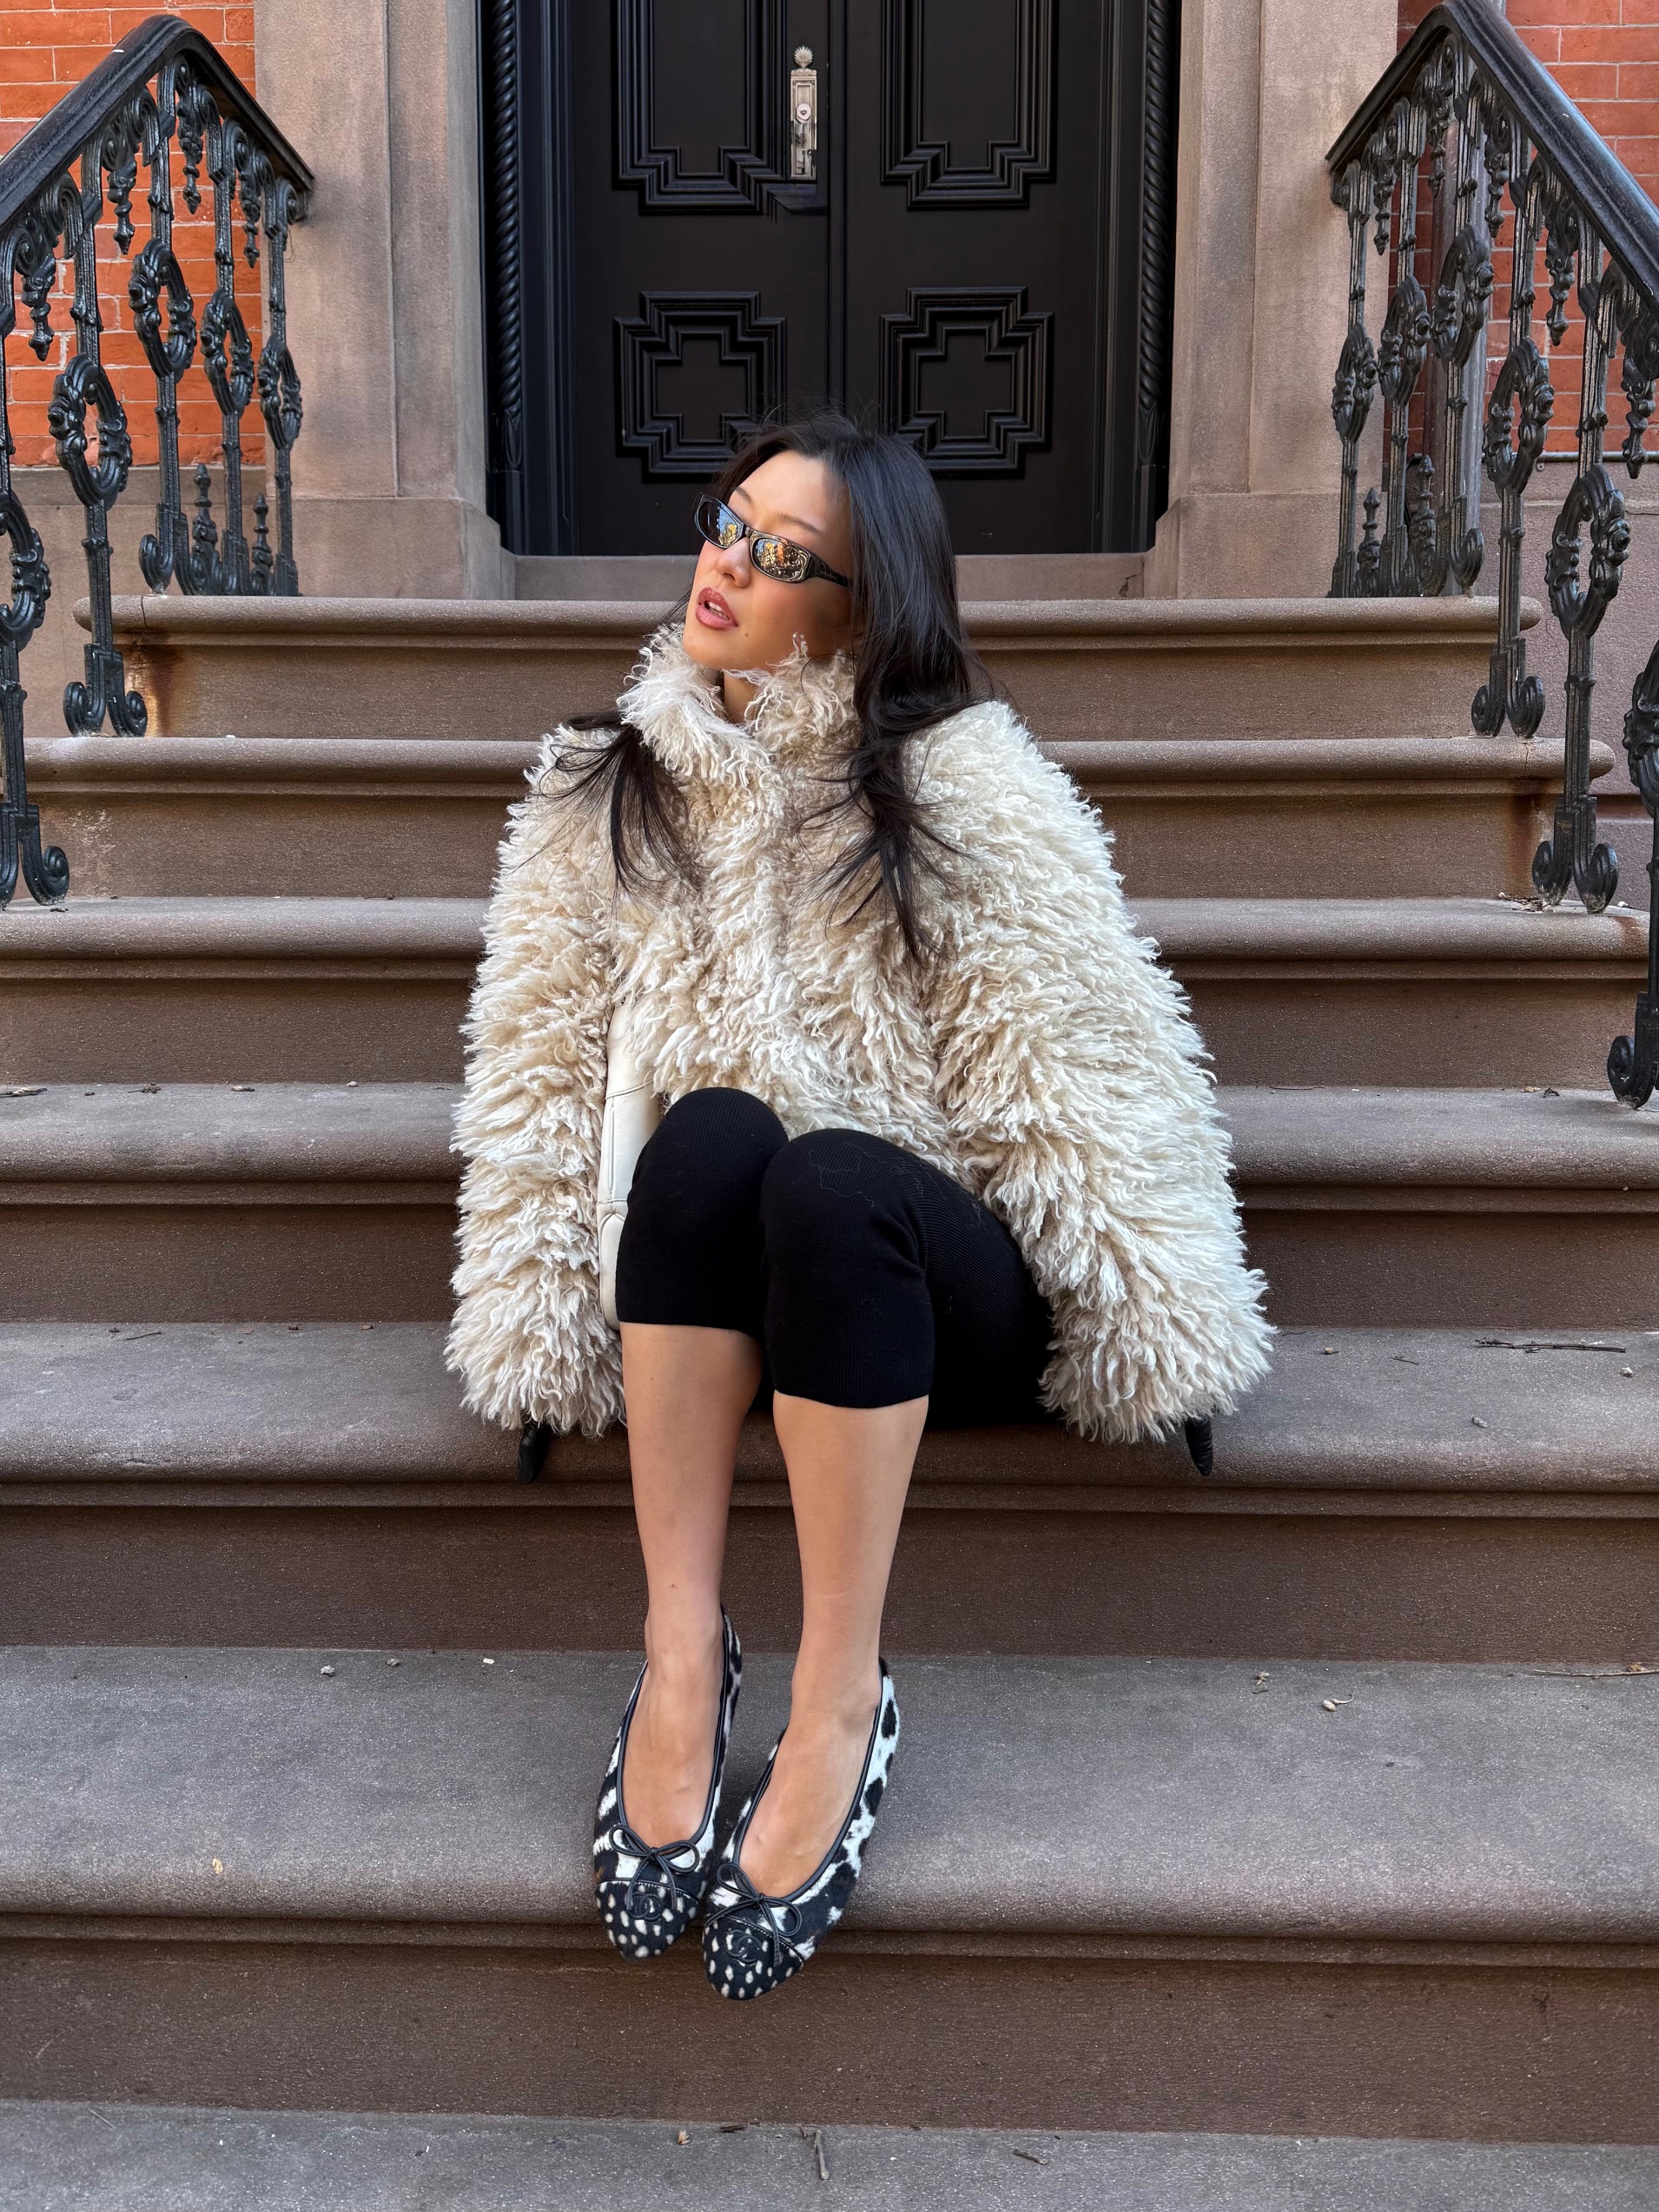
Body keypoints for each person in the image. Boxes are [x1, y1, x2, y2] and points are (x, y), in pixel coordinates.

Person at [448, 416, 1271, 2001]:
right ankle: (681, 1655)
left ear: (858, 604)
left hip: (928, 1279)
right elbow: (537, 1067)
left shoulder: (966, 783)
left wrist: (1154, 1323)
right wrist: (535, 1328)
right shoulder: (600, 786)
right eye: (725, 521)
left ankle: (838, 1696)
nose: (725, 564)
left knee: (828, 1175)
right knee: (708, 1135)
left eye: (781, 554)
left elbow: (1078, 1065)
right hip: (725, 1282)